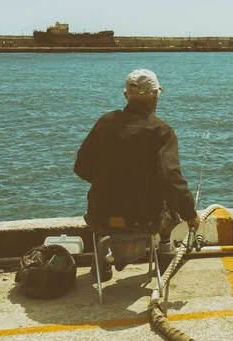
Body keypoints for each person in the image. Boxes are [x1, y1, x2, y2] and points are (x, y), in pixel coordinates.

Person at [74, 69, 200, 281]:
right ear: (154, 95)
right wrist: (190, 214)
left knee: (100, 200)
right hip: (145, 222)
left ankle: (103, 259)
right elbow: (171, 180)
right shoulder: (162, 132)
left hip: (101, 219)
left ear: (126, 96)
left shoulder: (104, 122)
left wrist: (110, 182)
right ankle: (165, 249)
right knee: (170, 204)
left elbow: (81, 167)